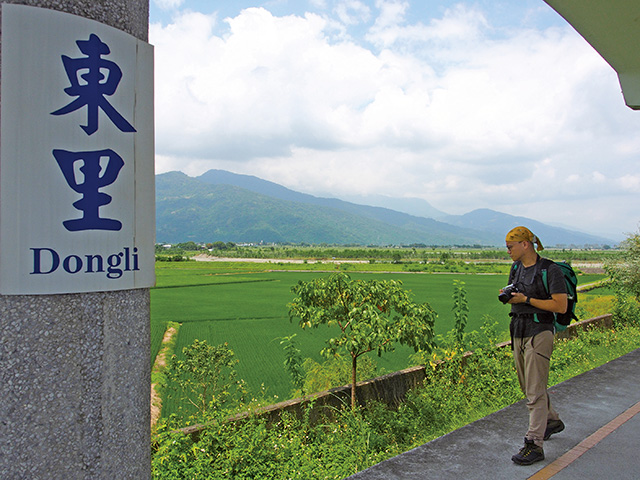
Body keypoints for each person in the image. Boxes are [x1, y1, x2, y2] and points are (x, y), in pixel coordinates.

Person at [502, 226, 568, 466]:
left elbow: (560, 306)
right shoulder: (517, 268)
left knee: (534, 390)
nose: (507, 251)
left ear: (525, 245)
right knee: (527, 385)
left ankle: (534, 444)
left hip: (540, 331)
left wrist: (526, 299)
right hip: (518, 330)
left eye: (510, 246)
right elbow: (515, 293)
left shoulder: (550, 270)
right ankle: (551, 421)